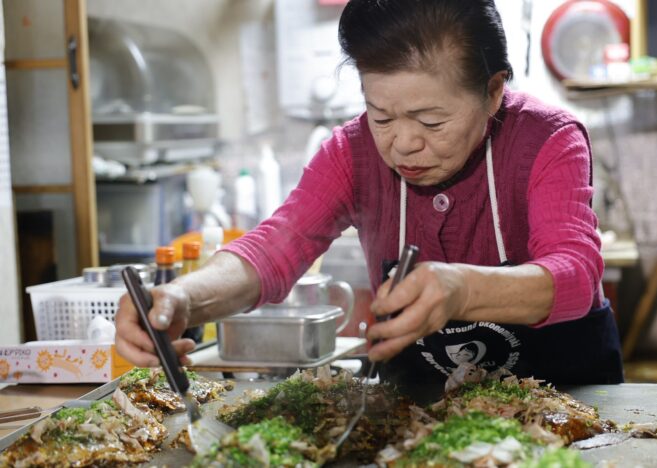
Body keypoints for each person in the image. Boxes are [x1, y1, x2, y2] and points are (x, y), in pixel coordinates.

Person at [116, 0, 623, 401]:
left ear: (493, 92)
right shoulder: (351, 154)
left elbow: (577, 274)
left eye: (431, 122)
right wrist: (185, 298)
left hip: (570, 409)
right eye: (380, 115)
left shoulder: (547, 140)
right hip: (422, 421)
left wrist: (461, 289)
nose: (402, 142)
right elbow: (274, 250)